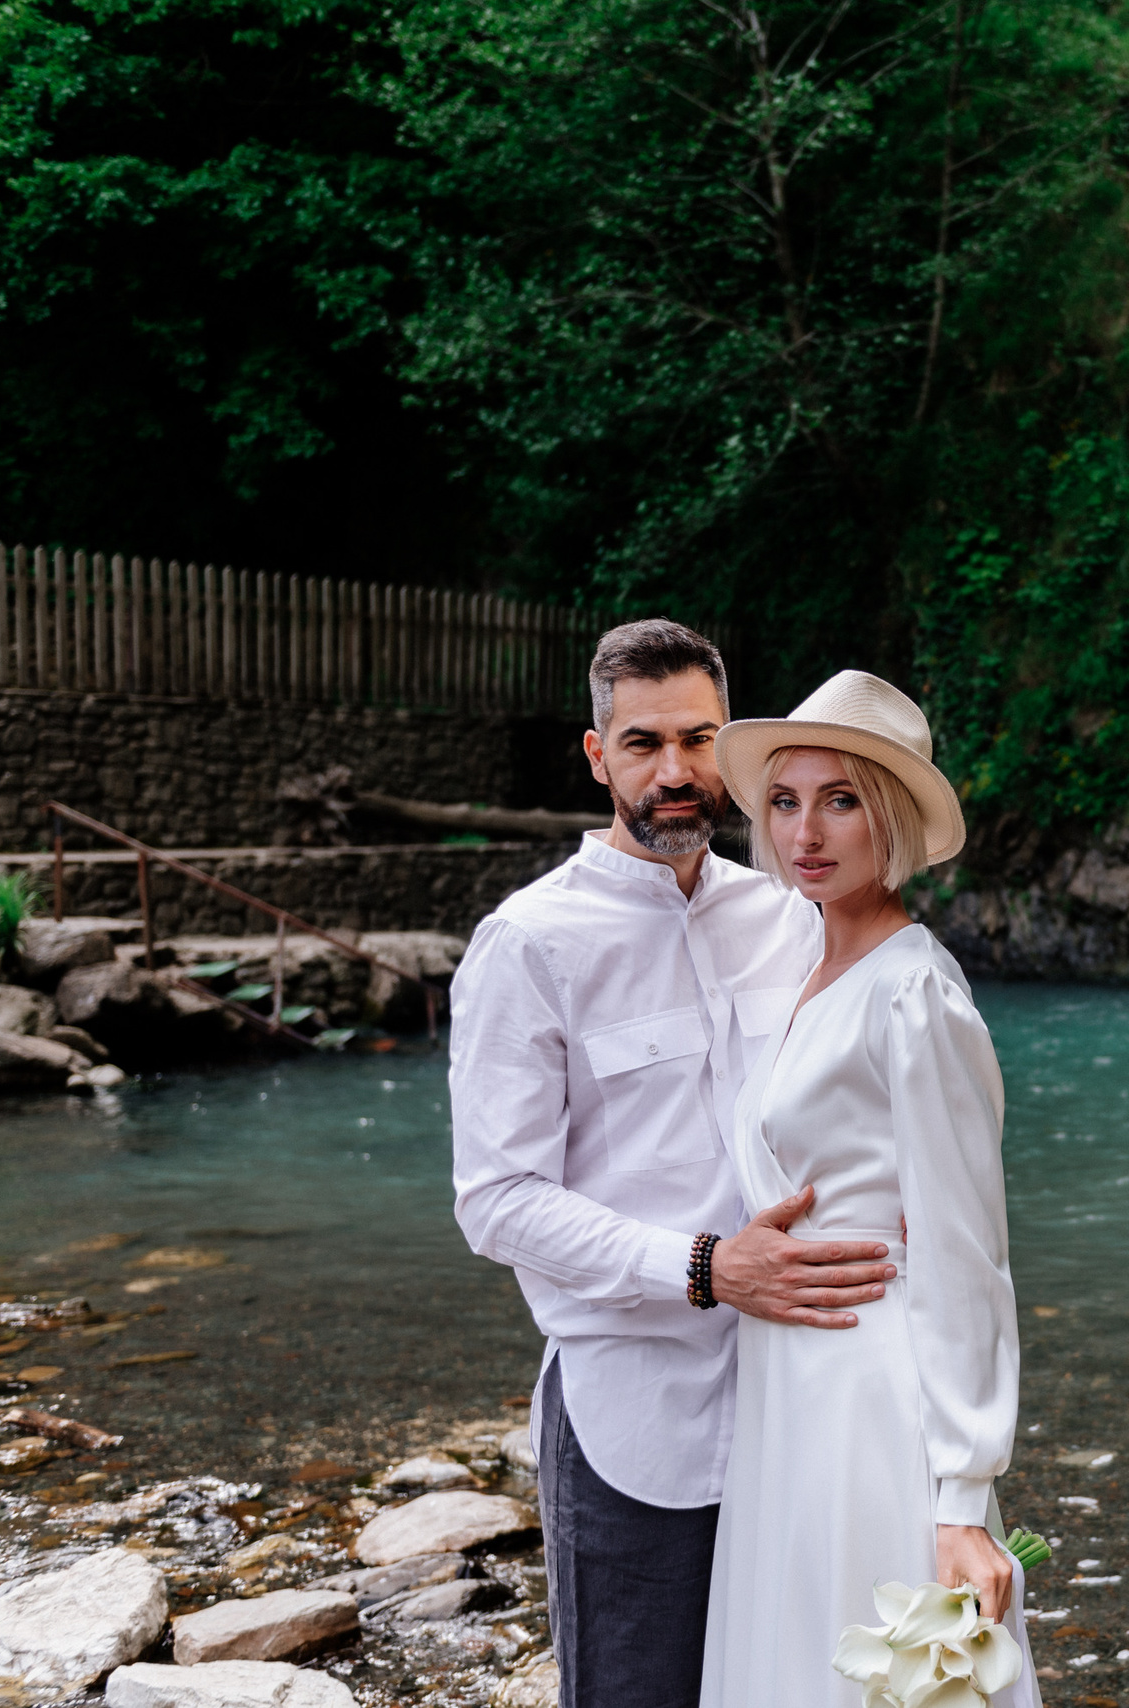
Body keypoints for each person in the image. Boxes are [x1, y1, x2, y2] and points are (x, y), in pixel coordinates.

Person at [447, 621, 901, 1708]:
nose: (676, 772)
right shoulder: (527, 945)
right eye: (643, 743)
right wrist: (706, 1267)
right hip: (631, 1422)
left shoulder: (790, 915)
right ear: (598, 757)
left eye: (700, 738)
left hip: (799, 1404)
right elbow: (496, 1202)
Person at [701, 670, 1038, 1708]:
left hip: (868, 1396)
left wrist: (963, 1497)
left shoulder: (914, 989)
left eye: (841, 799)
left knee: (880, 1670)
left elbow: (964, 1247)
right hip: (786, 1389)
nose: (807, 830)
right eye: (787, 801)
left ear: (887, 817)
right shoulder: (808, 964)